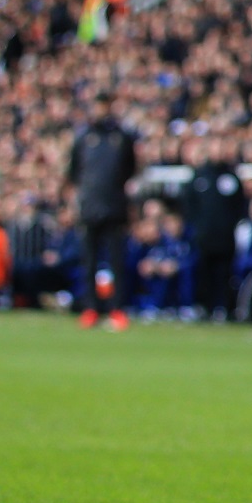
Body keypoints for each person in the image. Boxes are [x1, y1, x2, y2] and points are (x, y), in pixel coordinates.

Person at [68, 96, 139, 329]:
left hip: (115, 208)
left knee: (116, 262)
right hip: (89, 208)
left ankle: (117, 309)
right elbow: (74, 173)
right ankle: (91, 308)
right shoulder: (84, 139)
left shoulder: (121, 138)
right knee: (89, 262)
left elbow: (130, 170)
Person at [181, 139, 248, 322]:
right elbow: (189, 205)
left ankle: (224, 309)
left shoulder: (231, 176)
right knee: (203, 274)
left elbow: (240, 206)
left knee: (225, 275)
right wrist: (197, 228)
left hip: (226, 238)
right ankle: (204, 308)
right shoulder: (199, 176)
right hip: (203, 238)